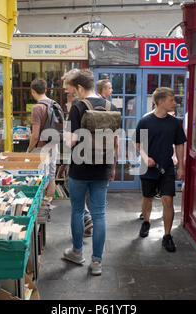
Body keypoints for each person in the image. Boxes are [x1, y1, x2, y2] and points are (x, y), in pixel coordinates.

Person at [63, 69, 118, 275]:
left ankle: (77, 252)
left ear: (79, 87)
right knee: (99, 214)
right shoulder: (109, 106)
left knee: (78, 210)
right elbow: (115, 141)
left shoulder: (77, 108)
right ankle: (97, 262)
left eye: (74, 90)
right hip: (103, 167)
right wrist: (113, 166)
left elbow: (71, 141)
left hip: (80, 168)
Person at [134, 87, 186, 252]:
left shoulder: (174, 123)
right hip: (148, 168)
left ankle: (167, 235)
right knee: (147, 198)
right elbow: (137, 144)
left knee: (168, 200)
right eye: (171, 100)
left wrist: (181, 166)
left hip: (167, 168)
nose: (174, 102)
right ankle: (146, 221)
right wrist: (145, 157)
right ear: (161, 102)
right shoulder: (145, 121)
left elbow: (179, 144)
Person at [62, 69, 94, 237]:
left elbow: (71, 139)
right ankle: (89, 223)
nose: (67, 88)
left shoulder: (78, 104)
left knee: (77, 199)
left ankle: (78, 248)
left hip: (80, 156)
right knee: (97, 206)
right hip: (99, 160)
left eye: (68, 84)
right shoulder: (103, 104)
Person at [27, 78, 59, 198]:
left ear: (32, 91)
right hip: (54, 145)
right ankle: (47, 208)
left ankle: (40, 207)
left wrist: (29, 150)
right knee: (51, 176)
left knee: (37, 179)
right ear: (45, 89)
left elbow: (35, 136)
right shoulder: (54, 104)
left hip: (41, 148)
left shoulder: (37, 108)